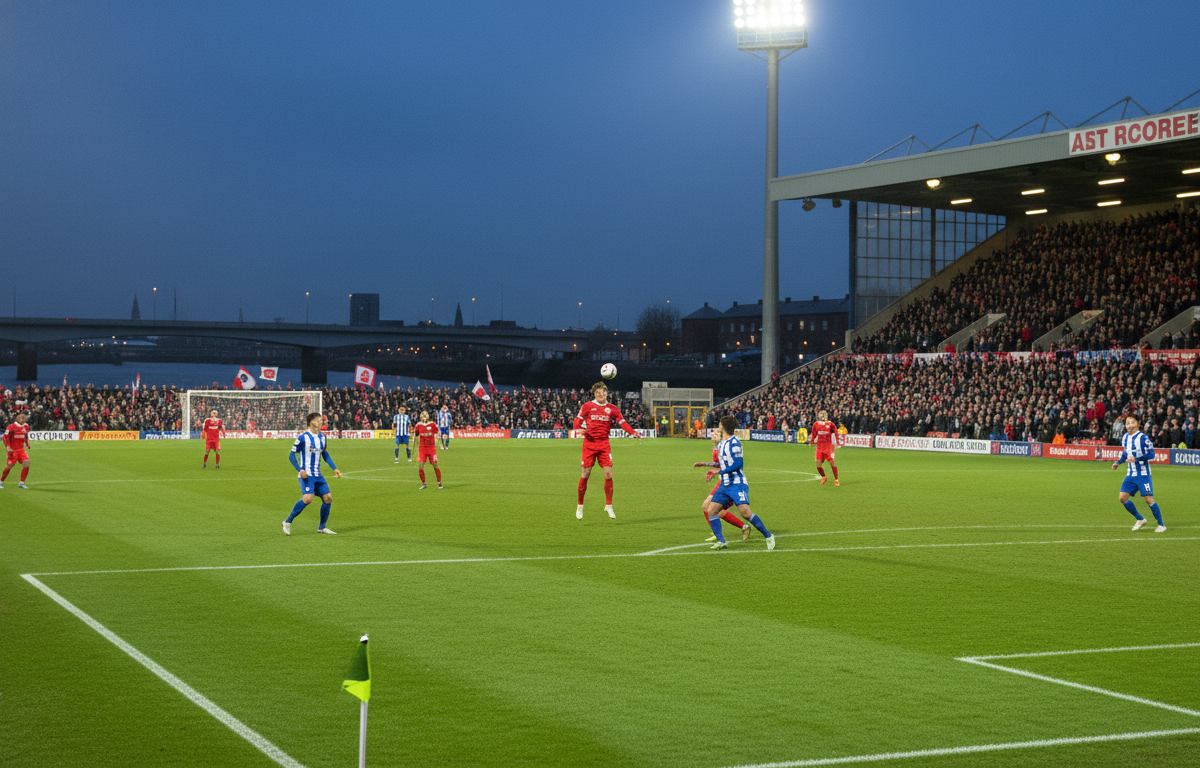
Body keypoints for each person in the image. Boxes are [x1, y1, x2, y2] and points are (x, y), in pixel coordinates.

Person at [704, 416, 775, 550]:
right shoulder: (721, 443)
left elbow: (738, 464)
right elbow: (722, 463)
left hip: (737, 484)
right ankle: (721, 541)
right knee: (711, 510)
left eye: (720, 424)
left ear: (723, 427)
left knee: (746, 513)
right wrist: (709, 467)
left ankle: (768, 536)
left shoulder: (734, 443)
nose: (719, 426)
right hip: (725, 484)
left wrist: (720, 472)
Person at [573, 381, 641, 519]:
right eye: (598, 392)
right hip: (589, 445)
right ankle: (580, 506)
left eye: (603, 392)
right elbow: (577, 421)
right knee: (585, 474)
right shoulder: (587, 406)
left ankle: (609, 506)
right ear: (594, 394)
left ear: (607, 393)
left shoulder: (612, 408)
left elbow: (622, 422)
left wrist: (633, 432)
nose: (601, 394)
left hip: (604, 445)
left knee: (609, 474)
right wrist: (578, 429)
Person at [282, 412, 341, 535]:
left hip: (317, 474)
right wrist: (300, 470)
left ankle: (322, 527)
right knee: (308, 498)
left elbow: (324, 453)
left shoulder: (322, 437)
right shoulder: (303, 437)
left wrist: (334, 468)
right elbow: (291, 455)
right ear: (311, 422)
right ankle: (287, 522)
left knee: (328, 498)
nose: (321, 422)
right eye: (318, 420)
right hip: (307, 475)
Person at [695, 429, 751, 542]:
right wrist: (706, 465)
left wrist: (712, 469)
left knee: (710, 508)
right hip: (723, 481)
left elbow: (725, 465)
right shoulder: (716, 448)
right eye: (713, 433)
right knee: (711, 509)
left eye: (716, 433)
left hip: (729, 483)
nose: (713, 435)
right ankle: (739, 528)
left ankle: (741, 528)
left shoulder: (722, 447)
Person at [1112, 414, 1166, 533]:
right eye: (1127, 423)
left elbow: (1151, 454)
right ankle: (1140, 519)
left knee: (1148, 498)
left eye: (1132, 422)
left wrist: (1137, 458)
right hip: (1130, 474)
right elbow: (1126, 453)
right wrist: (1118, 462)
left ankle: (1161, 525)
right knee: (1122, 498)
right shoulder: (1125, 437)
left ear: (1137, 424)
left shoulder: (1143, 438)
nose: (1129, 425)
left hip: (1143, 474)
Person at [2, 411, 32, 489]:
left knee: (27, 463)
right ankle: (1, 481)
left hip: (21, 450)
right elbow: (4, 437)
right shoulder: (11, 427)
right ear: (19, 419)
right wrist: (7, 446)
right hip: (13, 450)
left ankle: (21, 483)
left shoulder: (25, 426)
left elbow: (26, 435)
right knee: (10, 466)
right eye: (22, 418)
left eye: (25, 418)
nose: (24, 420)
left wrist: (27, 444)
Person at [809, 409, 840, 486]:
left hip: (828, 447)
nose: (823, 417)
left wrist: (838, 443)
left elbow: (836, 433)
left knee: (832, 462)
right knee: (818, 465)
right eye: (821, 415)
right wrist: (811, 442)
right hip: (819, 447)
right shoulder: (816, 425)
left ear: (826, 416)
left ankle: (836, 479)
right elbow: (814, 434)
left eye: (824, 415)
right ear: (819, 416)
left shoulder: (830, 424)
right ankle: (824, 477)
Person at [414, 410, 442, 489]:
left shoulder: (432, 424)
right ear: (420, 417)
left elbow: (437, 433)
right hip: (422, 448)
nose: (424, 417)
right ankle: (424, 484)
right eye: (423, 415)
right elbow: (416, 435)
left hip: (431, 448)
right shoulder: (418, 425)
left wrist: (437, 442)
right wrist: (415, 447)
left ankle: (439, 482)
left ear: (428, 416)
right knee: (420, 466)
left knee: (435, 464)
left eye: (425, 415)